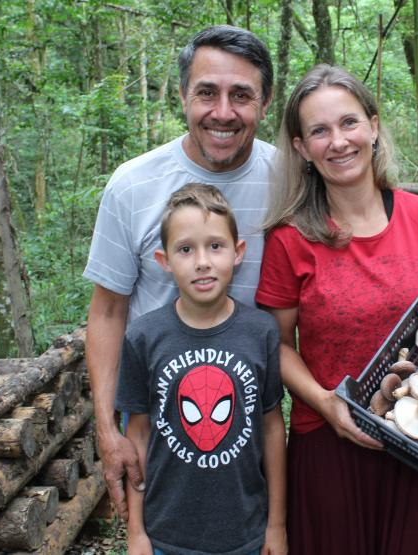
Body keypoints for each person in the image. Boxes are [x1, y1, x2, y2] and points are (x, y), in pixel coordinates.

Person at [255, 64, 418, 554]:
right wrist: (326, 402)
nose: (338, 141)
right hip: (330, 443)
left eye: (349, 123)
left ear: (372, 125)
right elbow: (278, 344)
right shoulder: (290, 239)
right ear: (302, 148)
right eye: (319, 131)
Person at [83, 25, 275, 519]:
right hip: (153, 411)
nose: (223, 112)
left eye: (242, 95)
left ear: (266, 102)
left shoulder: (291, 179)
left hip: (251, 407)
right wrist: (108, 430)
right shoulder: (133, 185)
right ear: (184, 96)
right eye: (206, 92)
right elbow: (107, 311)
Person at [116, 183, 286, 555]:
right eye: (186, 249)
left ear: (238, 252)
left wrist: (277, 525)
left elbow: (272, 427)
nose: (202, 262)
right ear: (164, 260)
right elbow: (138, 435)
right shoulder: (143, 337)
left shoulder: (261, 332)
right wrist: (136, 534)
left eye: (215, 246)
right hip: (166, 534)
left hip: (246, 532)